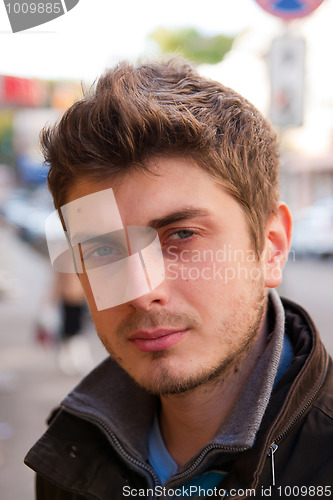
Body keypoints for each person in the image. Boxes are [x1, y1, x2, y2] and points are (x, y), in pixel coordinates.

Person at [25, 58, 332, 499]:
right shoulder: (70, 454)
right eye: (102, 249)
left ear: (272, 246)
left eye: (182, 235)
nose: (142, 292)